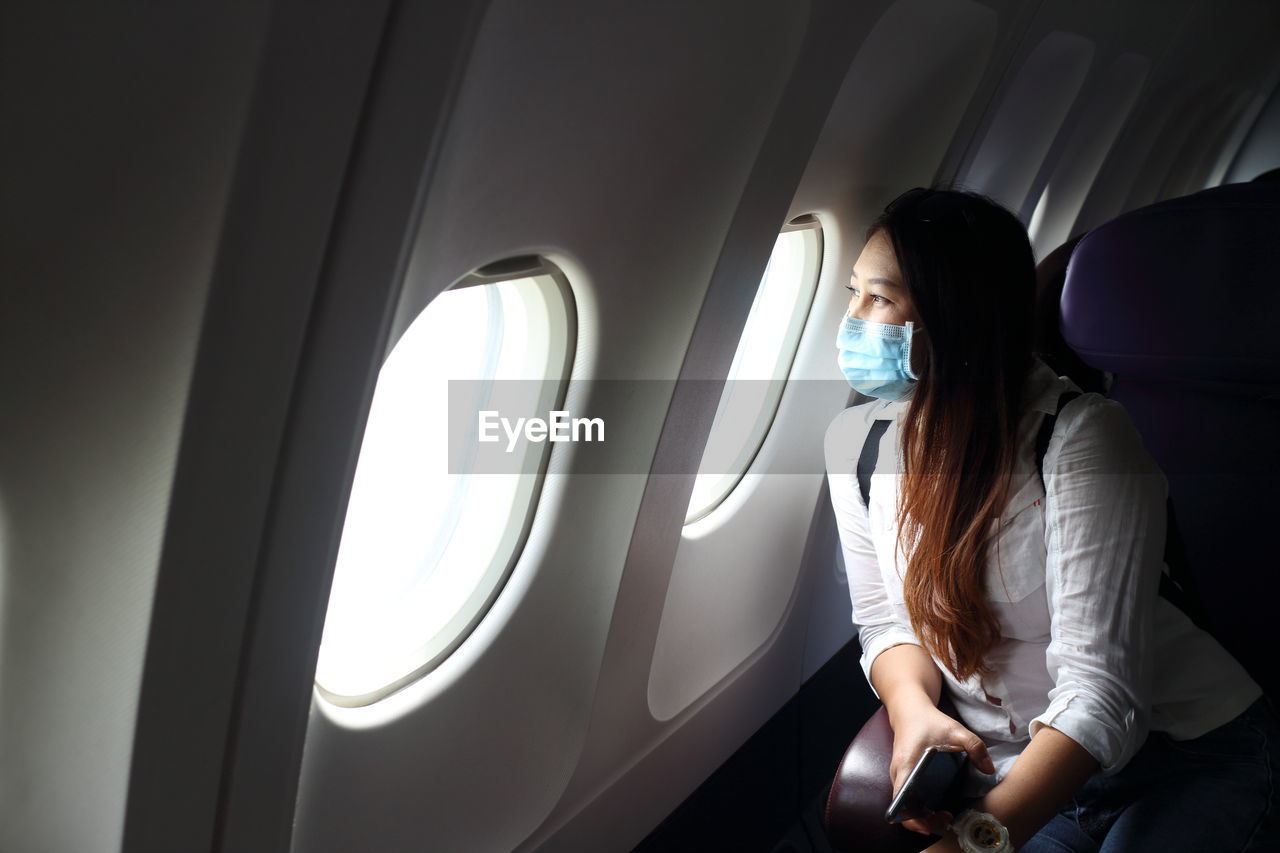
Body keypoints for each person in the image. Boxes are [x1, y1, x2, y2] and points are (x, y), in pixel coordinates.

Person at [823, 186, 1279, 853]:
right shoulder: (856, 445)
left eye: (881, 298)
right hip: (1020, 771)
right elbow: (885, 622)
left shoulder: (1081, 438)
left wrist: (967, 846)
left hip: (1184, 757)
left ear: (957, 315)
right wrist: (915, 711)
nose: (854, 322)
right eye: (852, 292)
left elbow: (1101, 695)